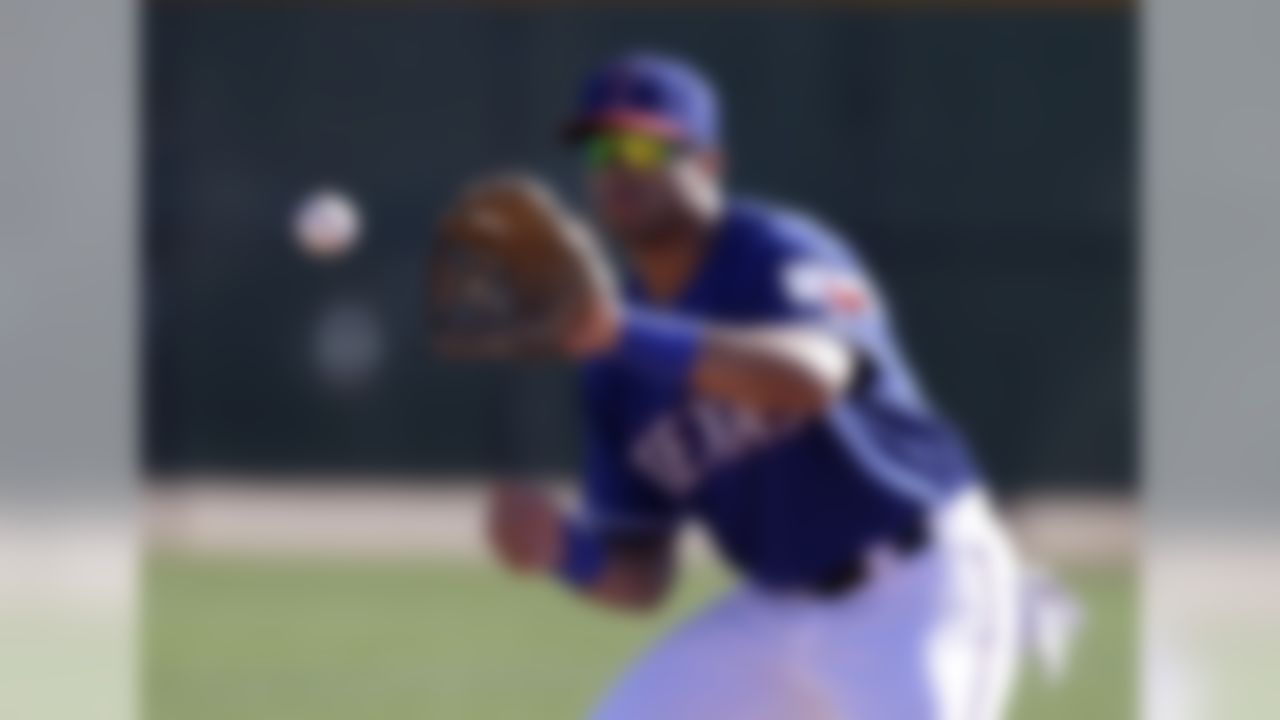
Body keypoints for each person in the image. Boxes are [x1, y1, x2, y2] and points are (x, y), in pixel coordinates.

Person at [487, 51, 1023, 720]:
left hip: (915, 585)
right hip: (777, 611)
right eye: (599, 149)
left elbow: (812, 377)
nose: (618, 167)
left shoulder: (777, 252)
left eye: (643, 145)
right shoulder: (608, 352)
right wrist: (560, 549)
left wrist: (619, 330)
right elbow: (642, 572)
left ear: (708, 164)